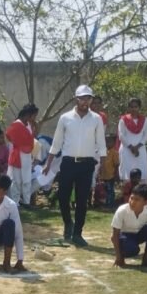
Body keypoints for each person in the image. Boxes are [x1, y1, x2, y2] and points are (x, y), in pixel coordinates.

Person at [44, 85, 107, 247]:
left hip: (87, 164)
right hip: (68, 163)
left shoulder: (96, 119)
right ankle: (68, 223)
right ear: (76, 99)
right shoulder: (65, 118)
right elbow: (57, 142)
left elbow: (101, 142)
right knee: (63, 196)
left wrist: (103, 163)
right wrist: (48, 163)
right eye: (82, 98)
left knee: (82, 199)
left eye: (88, 98)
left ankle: (77, 233)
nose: (85, 101)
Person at [111, 183, 147, 268]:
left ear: (146, 202)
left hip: (139, 235)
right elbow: (115, 235)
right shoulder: (121, 210)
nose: (132, 202)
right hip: (125, 236)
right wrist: (118, 257)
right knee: (132, 249)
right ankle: (123, 255)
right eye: (131, 198)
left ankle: (146, 257)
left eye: (137, 200)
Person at [6, 103, 39, 207]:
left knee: (27, 180)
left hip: (27, 155)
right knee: (16, 180)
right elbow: (9, 136)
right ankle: (15, 203)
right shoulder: (16, 125)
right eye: (34, 116)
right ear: (28, 115)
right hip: (17, 155)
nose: (34, 118)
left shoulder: (28, 125)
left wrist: (35, 126)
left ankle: (26, 202)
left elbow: (32, 139)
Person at [117, 98, 147, 182]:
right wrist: (131, 147)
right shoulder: (123, 120)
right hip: (126, 149)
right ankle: (127, 189)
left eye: (136, 107)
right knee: (127, 172)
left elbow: (146, 135)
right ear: (128, 108)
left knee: (142, 171)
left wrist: (137, 147)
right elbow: (121, 135)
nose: (134, 109)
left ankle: (142, 189)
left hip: (140, 149)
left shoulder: (145, 120)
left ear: (139, 107)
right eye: (131, 107)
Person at [98, 133, 119, 208]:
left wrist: (116, 174)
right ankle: (106, 203)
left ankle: (111, 204)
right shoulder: (104, 152)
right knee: (105, 190)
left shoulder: (114, 153)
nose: (107, 143)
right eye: (106, 142)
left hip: (110, 175)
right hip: (104, 175)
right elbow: (101, 163)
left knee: (110, 190)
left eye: (110, 142)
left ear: (113, 143)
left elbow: (116, 164)